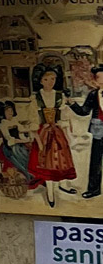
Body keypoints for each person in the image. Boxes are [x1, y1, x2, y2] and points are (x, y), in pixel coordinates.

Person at [27, 63, 76, 208]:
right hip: (43, 133)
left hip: (57, 132)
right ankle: (50, 193)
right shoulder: (36, 98)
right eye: (46, 79)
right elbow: (33, 121)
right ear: (40, 81)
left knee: (61, 161)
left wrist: (66, 133)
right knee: (46, 162)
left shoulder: (59, 96)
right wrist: (38, 138)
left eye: (53, 79)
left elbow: (65, 117)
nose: (50, 82)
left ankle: (62, 185)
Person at [70, 65, 103, 200]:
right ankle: (94, 189)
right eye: (99, 77)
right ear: (95, 80)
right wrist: (72, 104)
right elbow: (84, 111)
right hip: (98, 129)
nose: (102, 80)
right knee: (95, 162)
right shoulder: (93, 94)